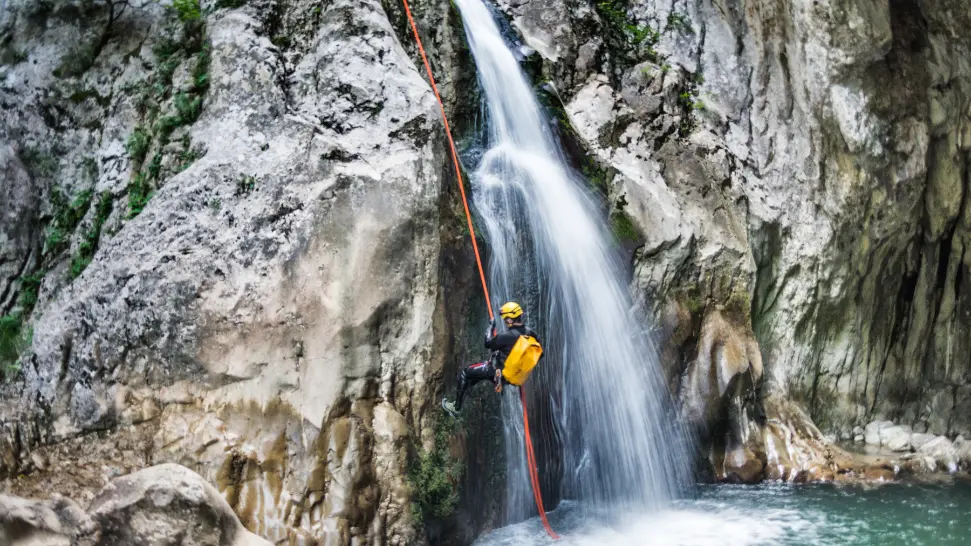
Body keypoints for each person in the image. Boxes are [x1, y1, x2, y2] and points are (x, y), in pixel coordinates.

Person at [441, 301, 540, 418]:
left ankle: (456, 408)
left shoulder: (506, 336)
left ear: (509, 320)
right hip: (515, 376)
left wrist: (490, 326)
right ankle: (465, 388)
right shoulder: (530, 333)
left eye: (505, 318)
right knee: (476, 375)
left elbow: (487, 343)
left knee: (465, 373)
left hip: (496, 373)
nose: (504, 321)